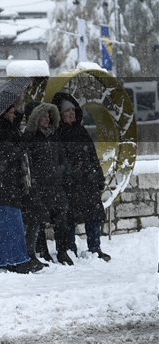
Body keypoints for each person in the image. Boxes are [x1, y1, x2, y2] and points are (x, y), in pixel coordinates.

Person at [0, 101, 41, 273]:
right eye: (11, 112)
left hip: (4, 185)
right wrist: (26, 139)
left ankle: (8, 260)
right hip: (2, 185)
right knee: (10, 225)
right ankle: (15, 260)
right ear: (2, 114)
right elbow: (10, 153)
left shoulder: (5, 130)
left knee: (7, 225)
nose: (14, 115)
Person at [53, 91, 110, 261]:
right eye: (66, 111)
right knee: (69, 218)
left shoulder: (81, 131)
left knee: (93, 216)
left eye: (72, 110)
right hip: (71, 183)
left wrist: (98, 177)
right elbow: (59, 159)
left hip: (88, 181)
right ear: (60, 114)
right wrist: (71, 172)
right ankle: (70, 250)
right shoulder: (58, 134)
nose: (71, 113)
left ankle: (95, 248)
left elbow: (92, 155)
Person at [20, 101, 72, 266]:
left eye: (48, 115)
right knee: (39, 221)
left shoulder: (54, 136)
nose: (47, 119)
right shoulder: (30, 138)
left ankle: (62, 252)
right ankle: (43, 252)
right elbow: (28, 164)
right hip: (40, 187)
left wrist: (63, 171)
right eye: (43, 116)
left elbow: (62, 158)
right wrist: (36, 183)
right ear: (35, 119)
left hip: (57, 186)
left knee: (61, 220)